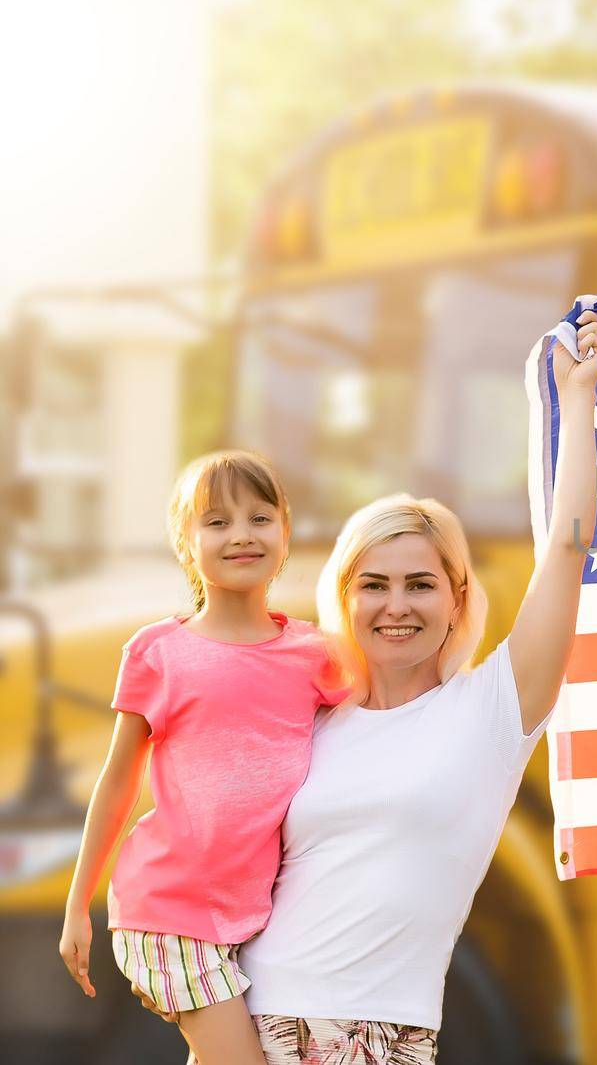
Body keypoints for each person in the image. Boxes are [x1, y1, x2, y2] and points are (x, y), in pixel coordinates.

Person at [131, 312, 597, 1063]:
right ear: (345, 596)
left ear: (456, 597)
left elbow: (569, 544)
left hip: (376, 1036)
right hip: (248, 1025)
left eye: (420, 584)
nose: (396, 606)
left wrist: (578, 400)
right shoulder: (310, 720)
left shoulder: (492, 710)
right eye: (374, 585)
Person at [59, 450, 347, 1065]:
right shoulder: (158, 651)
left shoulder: (318, 654)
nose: (241, 534)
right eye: (216, 521)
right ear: (185, 544)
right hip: (166, 911)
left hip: (258, 915)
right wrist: (77, 905)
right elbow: (116, 783)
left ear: (285, 531)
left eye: (259, 517)